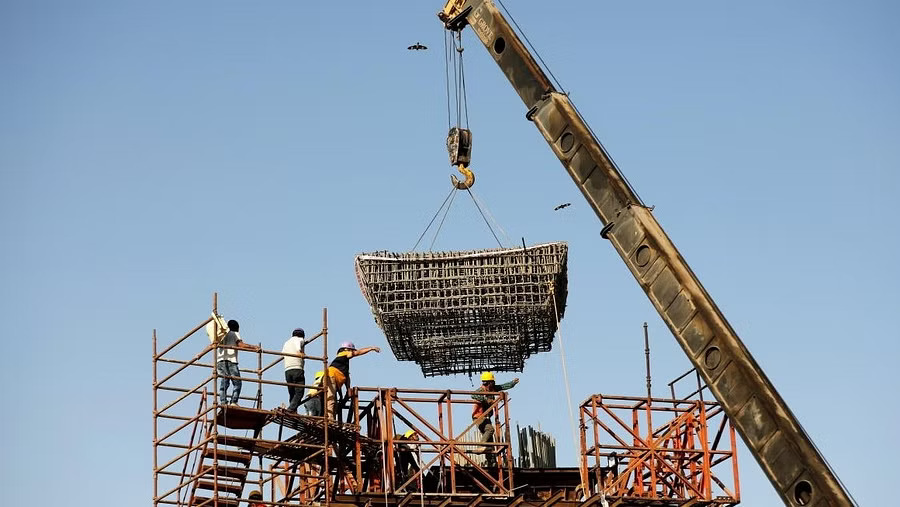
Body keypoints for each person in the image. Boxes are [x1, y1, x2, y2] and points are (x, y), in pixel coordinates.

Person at [471, 372, 519, 466]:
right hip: (479, 416)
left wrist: (512, 383)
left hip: (486, 417)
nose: (493, 384)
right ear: (489, 382)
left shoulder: (492, 388)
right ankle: (480, 446)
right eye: (492, 382)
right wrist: (487, 400)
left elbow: (502, 386)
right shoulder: (481, 390)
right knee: (490, 429)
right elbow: (473, 395)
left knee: (490, 443)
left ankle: (491, 462)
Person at [324, 341, 380, 418]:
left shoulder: (343, 364)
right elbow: (358, 352)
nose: (353, 352)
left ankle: (330, 418)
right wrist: (371, 348)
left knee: (333, 402)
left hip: (333, 380)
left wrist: (347, 390)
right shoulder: (344, 353)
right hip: (331, 377)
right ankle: (329, 420)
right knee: (331, 399)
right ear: (346, 349)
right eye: (352, 350)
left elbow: (346, 378)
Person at [216, 319, 259, 406]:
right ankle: (233, 402)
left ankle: (223, 402)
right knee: (237, 383)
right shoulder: (234, 333)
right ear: (237, 328)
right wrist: (254, 347)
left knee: (224, 381)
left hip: (220, 361)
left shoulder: (221, 335)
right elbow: (241, 345)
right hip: (231, 361)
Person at [281, 327, 320, 413]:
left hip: (287, 370)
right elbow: (299, 348)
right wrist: (303, 354)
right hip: (297, 368)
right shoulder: (299, 340)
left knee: (292, 392)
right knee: (299, 392)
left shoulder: (286, 343)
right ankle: (291, 409)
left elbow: (282, 353)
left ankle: (293, 410)